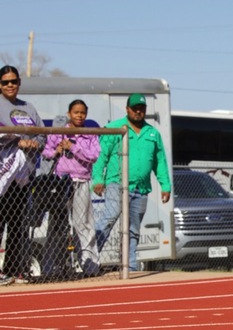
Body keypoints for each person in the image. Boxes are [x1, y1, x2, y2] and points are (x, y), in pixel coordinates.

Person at [92, 93, 171, 272]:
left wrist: (165, 185)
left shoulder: (153, 133)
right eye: (134, 108)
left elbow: (160, 162)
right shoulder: (115, 128)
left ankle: (130, 266)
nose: (138, 111)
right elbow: (100, 156)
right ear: (127, 109)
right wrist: (98, 179)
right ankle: (90, 259)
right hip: (117, 183)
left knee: (134, 228)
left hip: (141, 188)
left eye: (141, 108)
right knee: (109, 218)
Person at [41, 100, 101, 279]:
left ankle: (89, 264)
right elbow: (46, 151)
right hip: (61, 182)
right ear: (69, 114)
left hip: (81, 181)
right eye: (76, 112)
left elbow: (94, 156)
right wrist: (56, 151)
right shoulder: (60, 132)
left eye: (82, 112)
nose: (79, 116)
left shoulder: (90, 135)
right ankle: (50, 267)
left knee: (83, 224)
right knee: (57, 225)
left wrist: (73, 147)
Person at [0, 65, 45, 285]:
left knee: (18, 224)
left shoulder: (29, 108)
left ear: (19, 83)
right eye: (5, 82)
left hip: (24, 175)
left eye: (14, 81)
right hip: (3, 174)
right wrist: (17, 141)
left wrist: (34, 143)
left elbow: (43, 134)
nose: (10, 85)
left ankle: (14, 270)